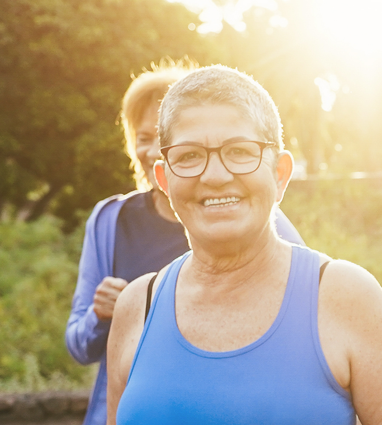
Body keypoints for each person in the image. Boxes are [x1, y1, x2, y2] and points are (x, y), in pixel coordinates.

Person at [103, 65, 382, 424]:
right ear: (164, 179)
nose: (215, 176)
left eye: (240, 151)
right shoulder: (137, 307)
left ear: (279, 174)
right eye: (189, 156)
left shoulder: (346, 298)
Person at [64, 61, 305, 425]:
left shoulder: (254, 214)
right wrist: (102, 316)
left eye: (163, 140)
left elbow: (301, 316)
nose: (149, 151)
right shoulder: (110, 220)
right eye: (141, 139)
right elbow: (79, 345)